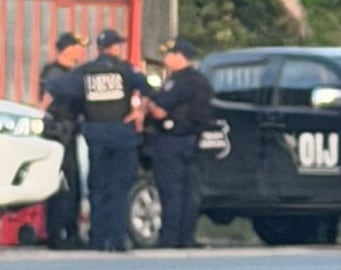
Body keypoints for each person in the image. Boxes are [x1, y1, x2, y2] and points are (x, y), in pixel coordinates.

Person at [47, 28, 154, 252]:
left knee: (98, 188)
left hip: (95, 135)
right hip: (122, 135)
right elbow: (149, 89)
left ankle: (98, 238)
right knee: (119, 188)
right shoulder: (125, 69)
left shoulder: (86, 72)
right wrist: (140, 111)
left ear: (98, 48)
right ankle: (116, 239)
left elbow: (57, 87)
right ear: (114, 47)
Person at [145, 37, 212, 249]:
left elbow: (159, 111)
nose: (165, 58)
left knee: (170, 192)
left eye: (169, 54)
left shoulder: (178, 82)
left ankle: (170, 238)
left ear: (179, 56)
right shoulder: (202, 80)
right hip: (193, 142)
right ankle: (186, 237)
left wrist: (147, 103)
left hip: (171, 141)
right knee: (189, 193)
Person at [38, 31, 89, 250]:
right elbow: (45, 104)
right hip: (58, 135)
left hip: (70, 134)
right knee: (62, 186)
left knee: (73, 186)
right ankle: (58, 234)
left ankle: (70, 232)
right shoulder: (55, 74)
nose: (82, 51)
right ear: (68, 49)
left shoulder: (70, 73)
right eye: (79, 46)